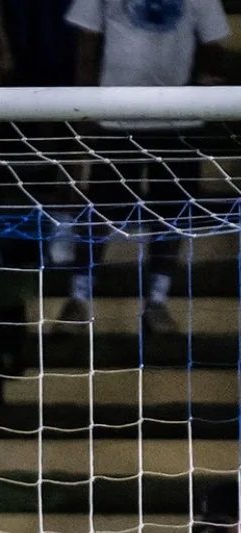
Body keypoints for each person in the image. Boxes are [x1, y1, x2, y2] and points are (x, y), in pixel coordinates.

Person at [60, 0, 228, 336]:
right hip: (115, 114)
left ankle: (157, 301)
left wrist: (204, 84)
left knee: (172, 211)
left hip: (177, 118)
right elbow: (87, 41)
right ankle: (78, 299)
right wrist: (84, 108)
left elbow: (214, 39)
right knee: (99, 207)